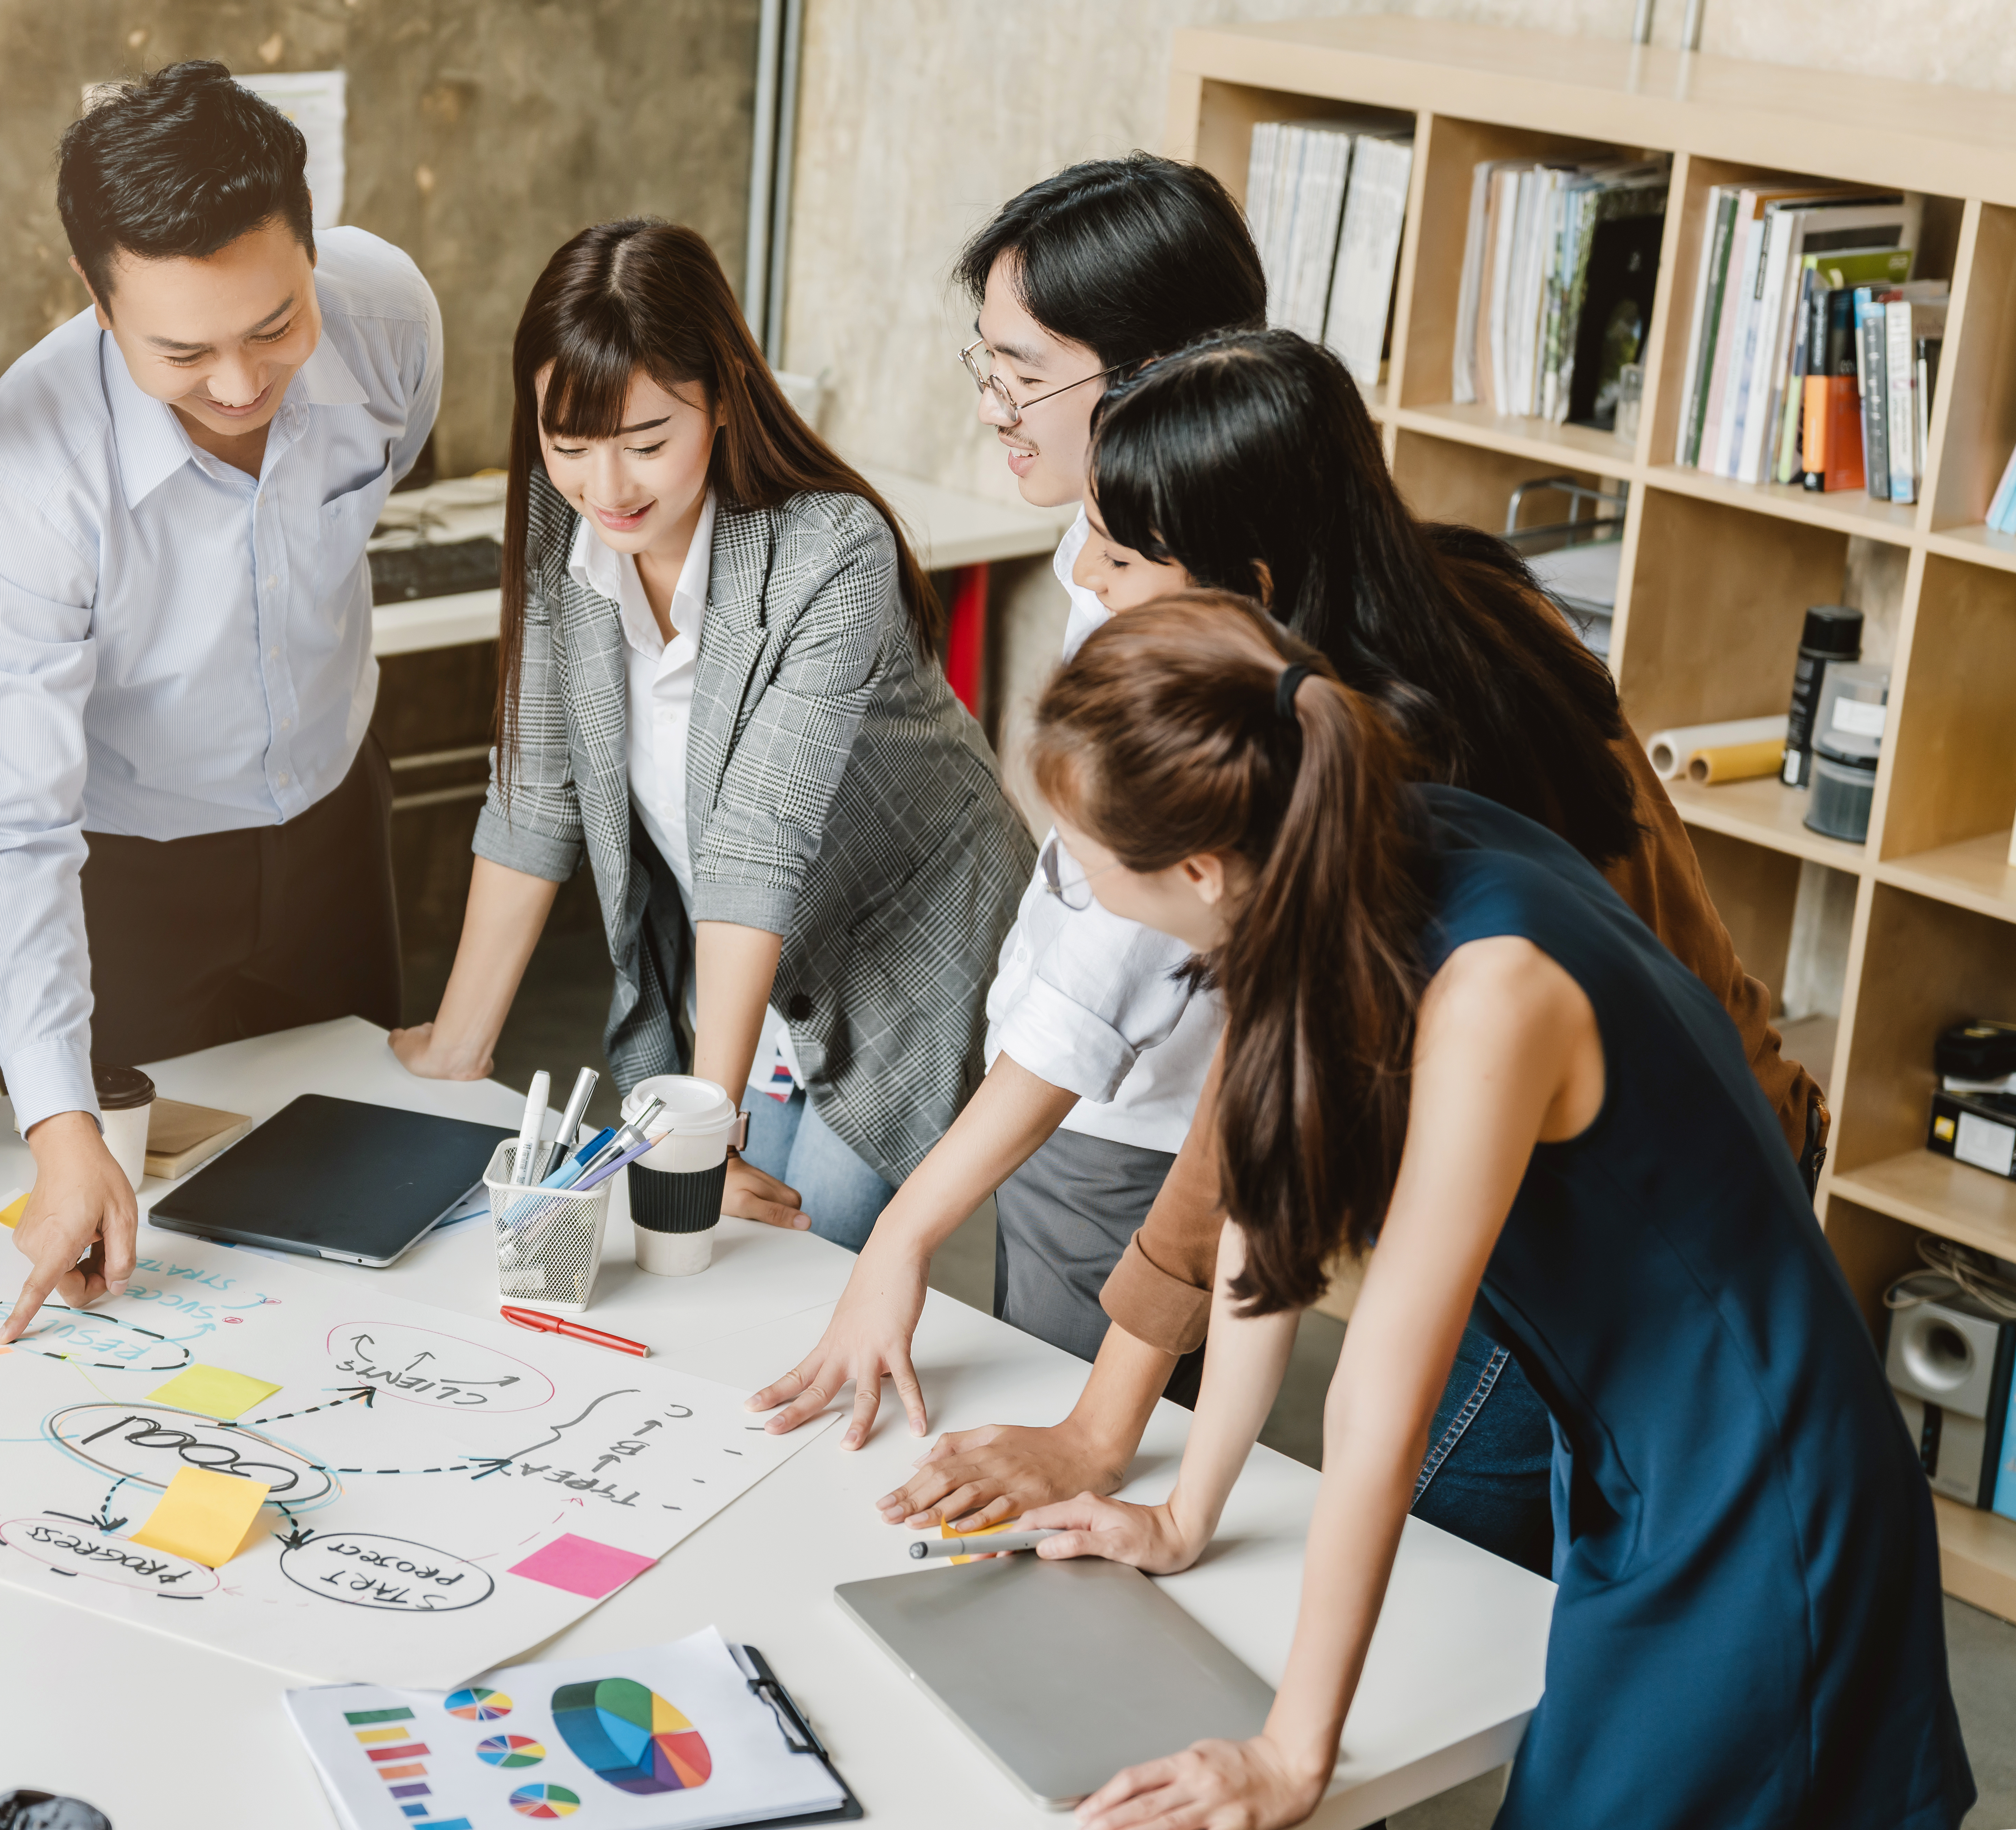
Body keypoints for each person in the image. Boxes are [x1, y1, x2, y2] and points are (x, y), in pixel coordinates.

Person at [791, 329, 1825, 1575]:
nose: (1094, 585)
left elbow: (1244, 1125)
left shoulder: (1382, 781)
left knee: (1444, 1574)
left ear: (1252, 583)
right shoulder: (1417, 617)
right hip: (1670, 1139)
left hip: (1659, 1210)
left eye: (1123, 559)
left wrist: (1104, 1433)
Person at [1007, 594, 1970, 1830]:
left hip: (1759, 1480)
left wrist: (1294, 1751)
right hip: (1635, 1450)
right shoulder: (1318, 862)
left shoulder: (1491, 991)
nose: (1072, 875)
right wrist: (1185, 1515)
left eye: (1081, 858)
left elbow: (1386, 1394)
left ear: (1197, 868)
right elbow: (1262, 1218)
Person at [747, 155, 1259, 1439]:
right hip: (1079, 1107)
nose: (995, 408)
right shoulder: (1105, 538)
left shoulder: (1198, 616)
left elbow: (1106, 963)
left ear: (1157, 379)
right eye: (988, 365)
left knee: (1069, 1463)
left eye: (1026, 374)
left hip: (1135, 1133)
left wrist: (906, 1234)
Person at [392, 219, 1031, 1248]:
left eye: (647, 443)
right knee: (715, 1248)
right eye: (570, 445)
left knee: (792, 1255)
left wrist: (700, 1134)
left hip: (903, 952)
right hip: (752, 964)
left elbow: (756, 838)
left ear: (724, 398)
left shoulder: (831, 551)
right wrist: (457, 1049)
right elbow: (534, 793)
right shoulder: (567, 533)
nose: (608, 488)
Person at [0, 63, 442, 1339]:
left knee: (368, 1209)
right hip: (127, 878)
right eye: (182, 350)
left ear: (314, 253)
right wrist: (58, 1128)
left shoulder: (388, 317)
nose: (237, 383)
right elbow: (9, 823)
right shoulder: (29, 471)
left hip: (334, 828)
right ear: (100, 309)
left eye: (274, 326)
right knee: (151, 1258)